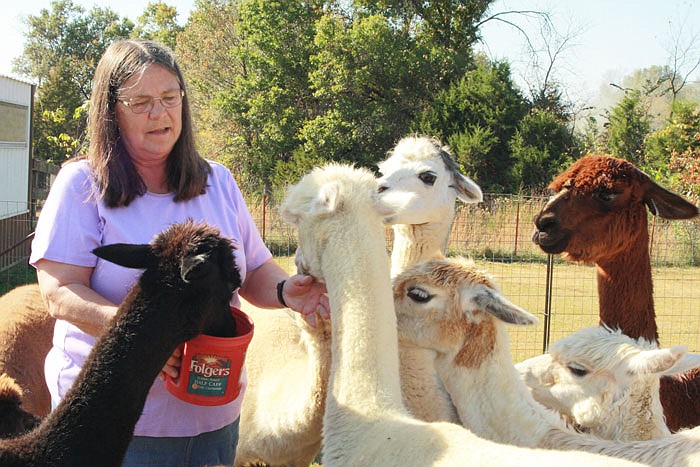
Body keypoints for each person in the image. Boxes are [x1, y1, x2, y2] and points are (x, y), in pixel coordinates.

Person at [29, 38, 329, 466]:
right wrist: (141, 338)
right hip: (115, 427)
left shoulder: (218, 182)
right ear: (112, 110)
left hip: (215, 416)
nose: (159, 113)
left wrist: (285, 291)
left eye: (170, 98)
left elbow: (256, 266)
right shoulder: (83, 186)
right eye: (141, 101)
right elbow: (59, 291)